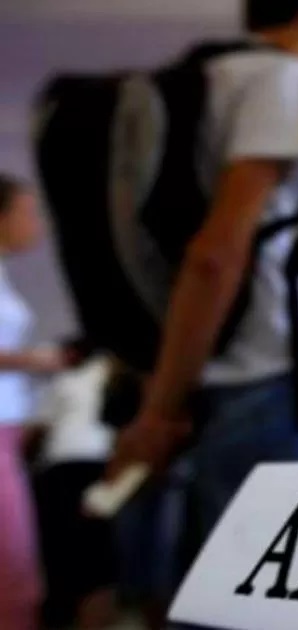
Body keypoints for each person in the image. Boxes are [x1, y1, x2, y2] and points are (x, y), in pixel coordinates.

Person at [108, 0, 298, 557]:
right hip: (271, 371)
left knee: (225, 572)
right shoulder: (286, 79)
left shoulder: (203, 78)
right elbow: (216, 254)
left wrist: (165, 393)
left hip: (198, 372)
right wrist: (159, 414)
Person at [0, 175, 69, 630]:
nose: (36, 223)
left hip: (10, 428)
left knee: (18, 567)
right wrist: (37, 360)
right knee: (14, 569)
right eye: (26, 212)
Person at [29, 339, 119, 630]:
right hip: (107, 468)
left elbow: (37, 432)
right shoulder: (114, 374)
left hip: (65, 470)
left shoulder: (65, 381)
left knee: (59, 556)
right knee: (99, 558)